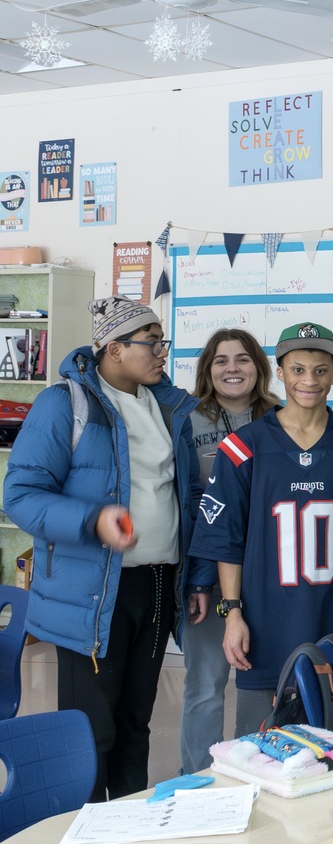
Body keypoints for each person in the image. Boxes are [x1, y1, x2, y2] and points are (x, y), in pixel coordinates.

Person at [4, 296, 209, 802]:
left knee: (136, 722)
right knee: (91, 732)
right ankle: (84, 827)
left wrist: (195, 577)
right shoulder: (64, 404)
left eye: (163, 341)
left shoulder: (167, 406)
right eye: (152, 342)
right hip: (92, 592)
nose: (162, 351)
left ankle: (129, 824)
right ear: (113, 348)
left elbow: (182, 496)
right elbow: (21, 497)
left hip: (158, 583)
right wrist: (93, 520)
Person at [188, 321, 333, 736]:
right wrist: (232, 614)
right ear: (281, 371)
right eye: (299, 369)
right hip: (265, 627)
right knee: (259, 749)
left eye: (321, 370)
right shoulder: (244, 448)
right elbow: (226, 542)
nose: (310, 380)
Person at [179, 328, 278, 773]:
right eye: (221, 360)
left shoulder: (284, 416)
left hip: (271, 573)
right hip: (207, 573)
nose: (232, 368)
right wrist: (200, 577)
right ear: (207, 370)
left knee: (270, 682)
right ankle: (198, 778)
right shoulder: (187, 420)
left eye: (242, 359)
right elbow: (189, 507)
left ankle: (261, 772)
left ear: (259, 367)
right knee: (205, 684)